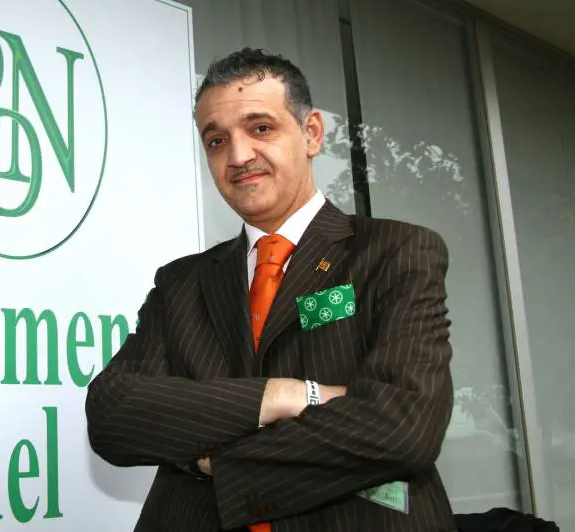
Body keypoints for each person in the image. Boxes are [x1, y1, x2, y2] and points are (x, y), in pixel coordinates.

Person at [85, 47, 456, 532]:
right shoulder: (180, 283)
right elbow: (113, 415)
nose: (238, 156)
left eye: (260, 128)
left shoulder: (395, 252)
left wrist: (212, 462)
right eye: (216, 140)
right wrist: (285, 395)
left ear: (311, 133)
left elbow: (403, 427)